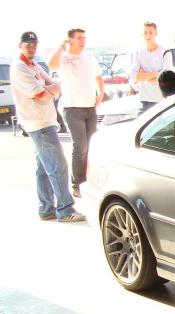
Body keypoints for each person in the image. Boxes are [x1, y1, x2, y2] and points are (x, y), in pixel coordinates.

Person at [10, 31, 84, 222]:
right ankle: (65, 209)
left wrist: (49, 88)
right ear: (20, 46)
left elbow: (51, 85)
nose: (32, 48)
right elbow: (40, 94)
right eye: (28, 45)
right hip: (39, 124)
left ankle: (46, 209)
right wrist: (51, 89)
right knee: (58, 166)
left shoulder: (33, 65)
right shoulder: (20, 67)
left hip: (43, 122)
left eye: (34, 45)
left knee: (44, 168)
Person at [48, 28, 104, 198]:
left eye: (84, 38)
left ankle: (89, 180)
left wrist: (100, 94)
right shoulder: (64, 58)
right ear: (70, 40)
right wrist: (61, 47)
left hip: (90, 109)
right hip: (72, 109)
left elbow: (99, 77)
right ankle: (77, 183)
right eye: (79, 38)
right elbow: (51, 65)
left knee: (91, 146)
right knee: (80, 147)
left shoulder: (89, 57)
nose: (82, 41)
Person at [130, 22, 173, 111]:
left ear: (156, 33)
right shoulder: (138, 53)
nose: (148, 35)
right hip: (144, 100)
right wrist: (158, 74)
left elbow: (166, 78)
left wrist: (143, 75)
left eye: (150, 32)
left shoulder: (165, 52)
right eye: (145, 32)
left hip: (162, 100)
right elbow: (133, 76)